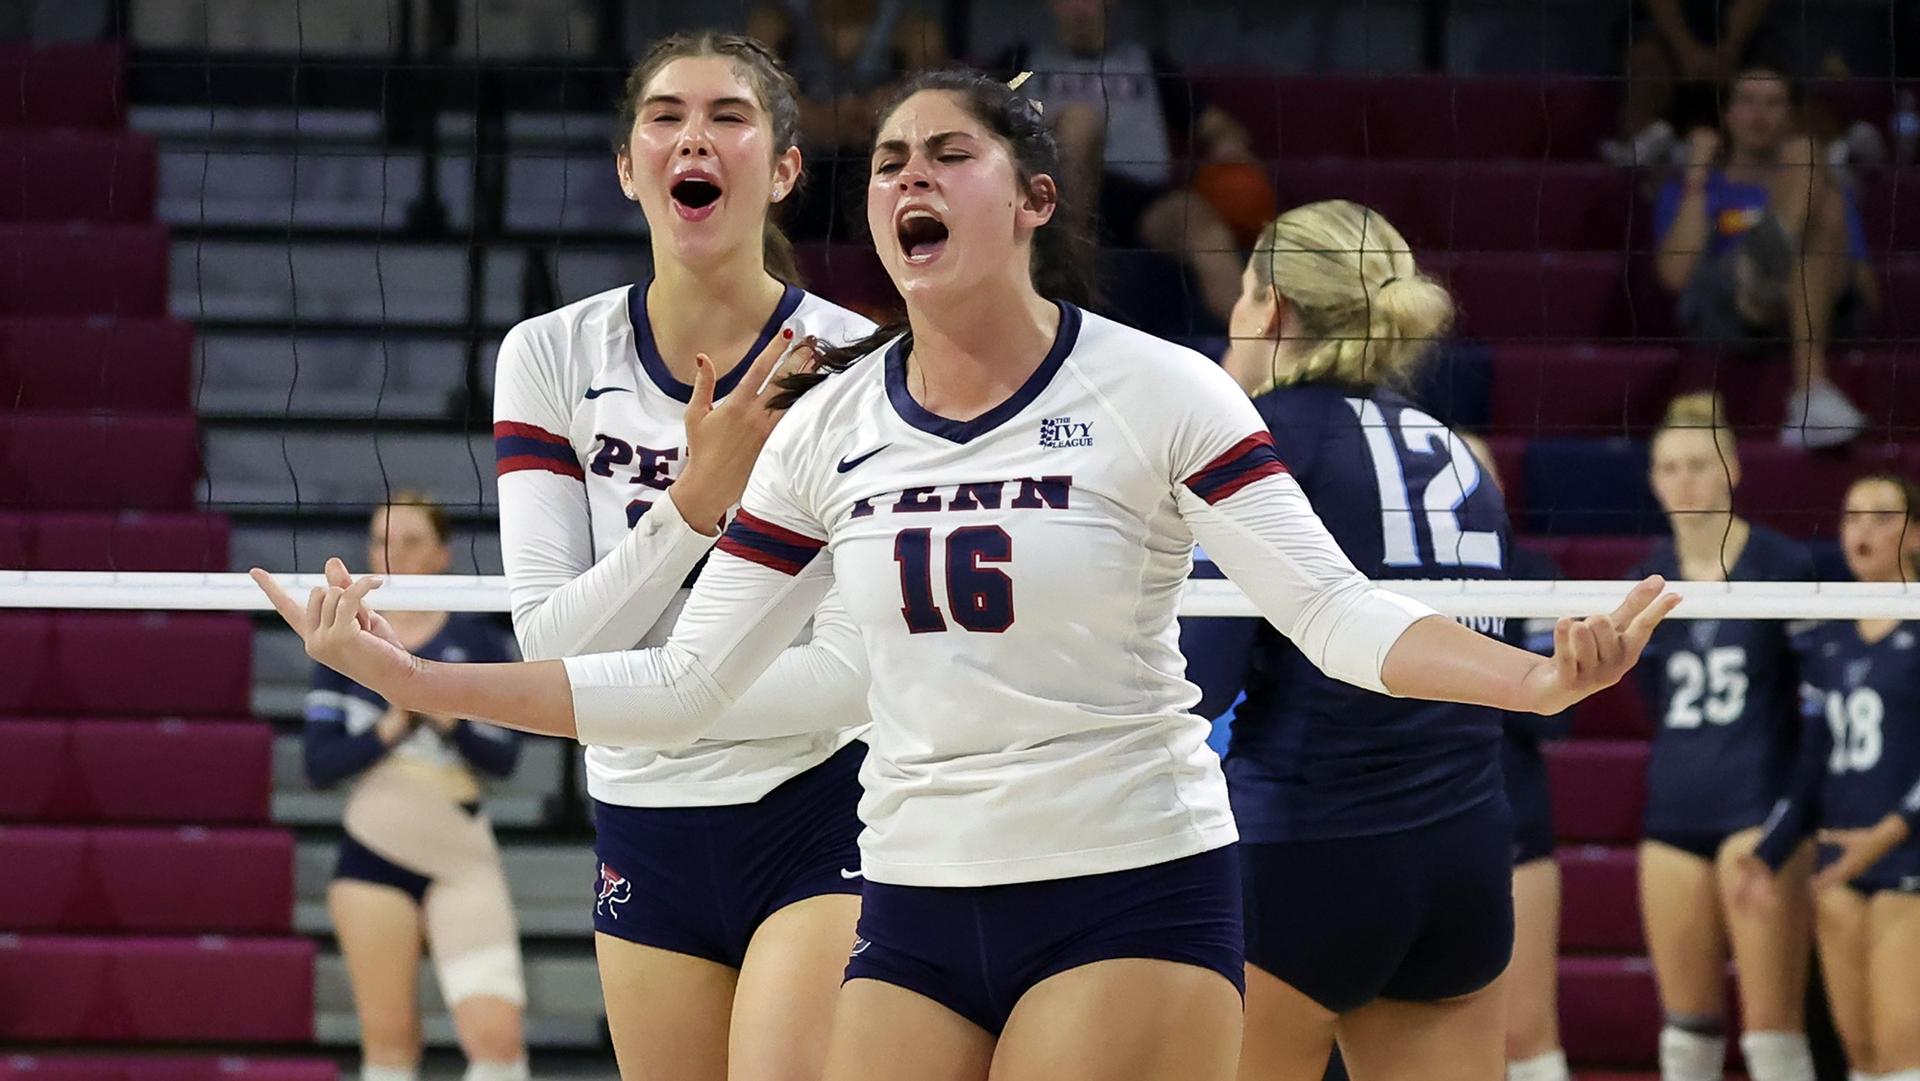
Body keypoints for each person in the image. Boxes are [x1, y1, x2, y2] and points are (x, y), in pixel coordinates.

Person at [256, 69, 1678, 1081]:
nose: (909, 179)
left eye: (947, 155)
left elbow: (1330, 610)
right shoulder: (824, 424)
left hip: (1130, 881)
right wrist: (411, 672)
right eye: (888, 163)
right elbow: (683, 680)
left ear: (1032, 198)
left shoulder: (1162, 389)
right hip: (919, 903)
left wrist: (1531, 676)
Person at [490, 31, 876, 1081]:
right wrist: (689, 511)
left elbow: (850, 677)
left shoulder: (855, 367)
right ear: (627, 167)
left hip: (816, 804)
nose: (692, 137)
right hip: (643, 820)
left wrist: (646, 693)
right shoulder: (550, 354)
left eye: (728, 117)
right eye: (664, 117)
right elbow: (548, 640)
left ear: (785, 169)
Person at [1182, 201, 1548, 1081]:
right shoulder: (1458, 451)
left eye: (1239, 298)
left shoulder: (1261, 444)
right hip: (1462, 858)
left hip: (1307, 851)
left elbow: (1195, 681)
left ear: (1270, 308)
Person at [302, 494, 528, 1081]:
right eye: (381, 540)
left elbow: (504, 757)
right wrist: (394, 722)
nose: (392, 554)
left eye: (409, 542)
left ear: (441, 556)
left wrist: (436, 707)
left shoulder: (476, 638)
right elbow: (319, 764)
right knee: (391, 1045)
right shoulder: (340, 640)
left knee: (498, 1042)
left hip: (462, 859)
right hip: (374, 857)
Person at [1633, 393, 1818, 1081]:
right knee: (1686, 1034)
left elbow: (1816, 710)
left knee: (1772, 1039)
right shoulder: (1642, 578)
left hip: (1756, 810)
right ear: (1653, 478)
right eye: (1670, 467)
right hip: (1673, 814)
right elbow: (1649, 694)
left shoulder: (1781, 564)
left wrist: (1786, 828)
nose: (1684, 481)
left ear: (1733, 469)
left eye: (1699, 465)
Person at [1738, 474, 1920, 1081]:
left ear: (1914, 532)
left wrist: (1887, 834)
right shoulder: (1830, 637)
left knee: (1903, 1052)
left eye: (1881, 516)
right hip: (1840, 860)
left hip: (1906, 860)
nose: (1862, 530)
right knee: (1861, 1053)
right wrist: (1769, 852)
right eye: (1852, 517)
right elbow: (1812, 760)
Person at [996, 0, 1260, 330]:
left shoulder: (1147, 62)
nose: (1079, 8)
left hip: (1142, 196)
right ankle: (1066, 279)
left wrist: (1227, 143)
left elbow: (1217, 126)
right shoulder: (1020, 63)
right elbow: (978, 123)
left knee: (1205, 228)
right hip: (1054, 198)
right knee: (1081, 122)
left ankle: (1253, 345)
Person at [1652, 64, 1874, 448]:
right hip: (1727, 306)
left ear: (1790, 115)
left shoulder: (1827, 196)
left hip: (1804, 306)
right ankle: (1811, 394)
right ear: (1728, 113)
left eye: (1774, 104)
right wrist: (1697, 177)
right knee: (1813, 170)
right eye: (1749, 101)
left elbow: (1863, 292)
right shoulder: (1701, 185)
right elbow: (1675, 276)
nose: (1760, 114)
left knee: (1815, 177)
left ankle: (1774, 284)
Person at [1464, 433, 1575, 1081]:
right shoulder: (1390, 577)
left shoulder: (1533, 574)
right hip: (1423, 814)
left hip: (1512, 817)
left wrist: (1469, 677)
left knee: (1527, 1028)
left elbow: (1557, 718)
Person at [747, 0, 949, 241]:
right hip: (804, 153)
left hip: (876, 153)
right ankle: (770, 259)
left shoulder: (912, 27)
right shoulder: (775, 20)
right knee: (769, 159)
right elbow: (757, 97)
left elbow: (929, 104)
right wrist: (816, 119)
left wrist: (883, 110)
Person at [1607, 0, 1777, 166]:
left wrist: (1731, 50)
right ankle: (1640, 147)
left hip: (1737, 31)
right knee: (1646, 60)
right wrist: (1687, 51)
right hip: (1662, 26)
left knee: (1773, 71)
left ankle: (1753, 160)